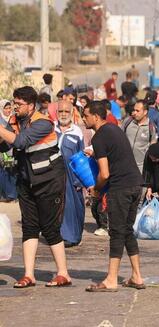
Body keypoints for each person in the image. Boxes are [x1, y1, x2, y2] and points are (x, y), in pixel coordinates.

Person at [0, 86, 71, 288]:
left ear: (31, 105)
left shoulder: (43, 123)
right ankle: (29, 275)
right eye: (14, 103)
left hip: (49, 181)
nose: (15, 107)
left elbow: (21, 141)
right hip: (26, 181)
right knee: (29, 227)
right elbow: (5, 145)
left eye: (19, 104)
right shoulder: (15, 120)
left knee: (50, 228)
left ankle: (63, 273)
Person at [83, 100, 145, 292]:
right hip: (136, 184)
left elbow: (105, 174)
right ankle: (137, 276)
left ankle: (111, 279)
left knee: (117, 232)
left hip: (121, 187)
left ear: (95, 116)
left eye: (85, 115)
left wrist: (96, 190)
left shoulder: (98, 137)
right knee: (126, 230)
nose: (84, 118)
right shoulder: (114, 129)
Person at [55, 100, 85, 248]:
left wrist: (81, 181)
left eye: (66, 111)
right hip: (53, 174)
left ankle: (72, 236)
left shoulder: (77, 132)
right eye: (60, 111)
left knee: (72, 206)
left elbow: (82, 157)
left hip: (72, 176)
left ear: (72, 113)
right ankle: (57, 236)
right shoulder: (50, 129)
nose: (63, 114)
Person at [121, 100, 157, 173]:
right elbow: (119, 137)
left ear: (145, 112)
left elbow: (153, 144)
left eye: (137, 111)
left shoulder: (150, 127)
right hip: (124, 165)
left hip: (141, 168)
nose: (135, 113)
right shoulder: (128, 121)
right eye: (134, 110)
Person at [0, 100, 17, 202]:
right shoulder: (0, 119)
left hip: (12, 148)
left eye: (9, 108)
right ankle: (4, 194)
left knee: (12, 171)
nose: (8, 110)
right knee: (3, 171)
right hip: (2, 149)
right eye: (5, 108)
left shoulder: (14, 119)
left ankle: (12, 194)